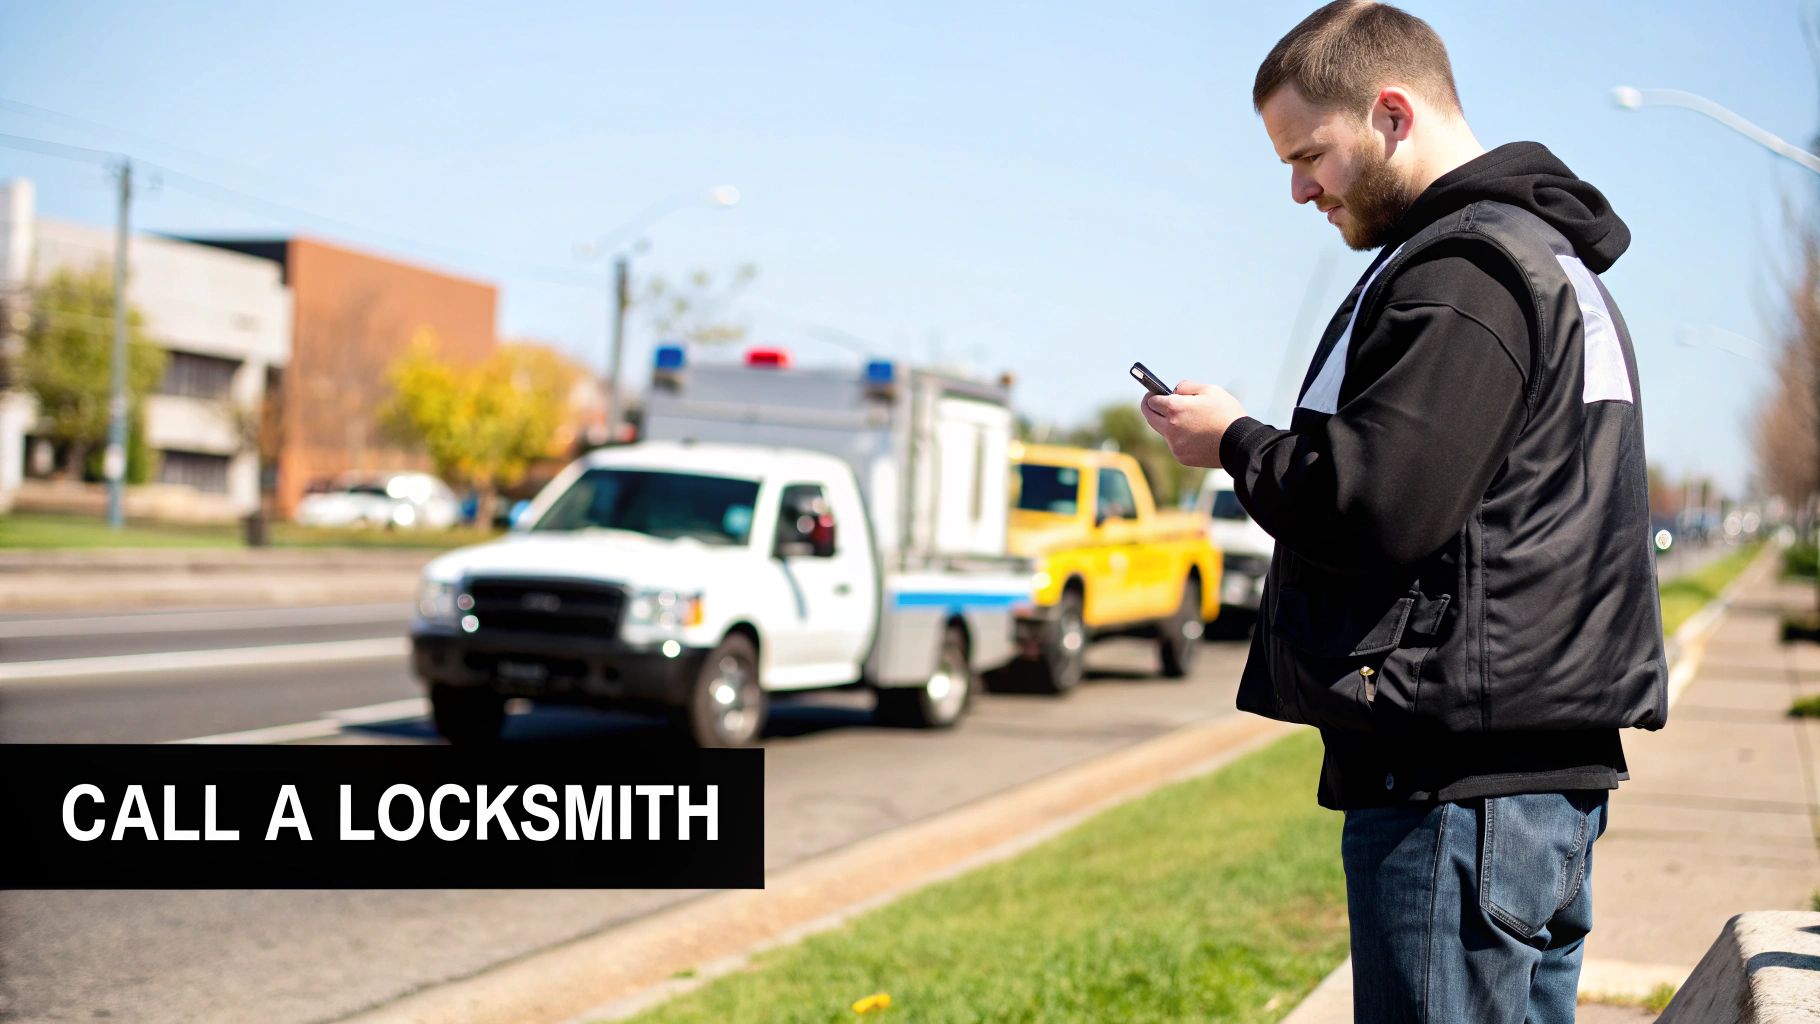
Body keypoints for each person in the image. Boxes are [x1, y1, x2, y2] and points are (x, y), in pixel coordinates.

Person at [1140, 3, 1666, 1022]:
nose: (1298, 190)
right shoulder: (1541, 259)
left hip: (1454, 797)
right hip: (1520, 787)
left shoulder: (1463, 273)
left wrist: (1234, 441)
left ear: (1388, 112)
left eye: (1309, 155)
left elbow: (1379, 505)